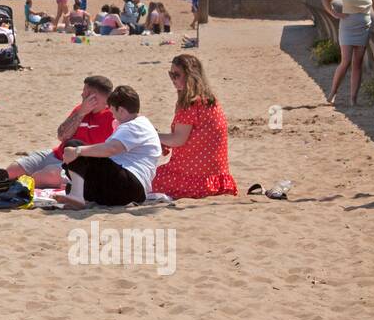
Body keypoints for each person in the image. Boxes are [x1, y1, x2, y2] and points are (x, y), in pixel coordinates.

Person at [54, 85, 160, 209]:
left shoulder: (133, 126)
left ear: (121, 110)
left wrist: (78, 150)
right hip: (132, 189)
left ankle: (77, 196)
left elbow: (111, 149)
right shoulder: (141, 123)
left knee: (74, 146)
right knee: (72, 186)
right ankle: (77, 194)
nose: (113, 116)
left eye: (113, 112)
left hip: (130, 184)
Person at [152, 55, 237, 199]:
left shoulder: (190, 105)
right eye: (170, 74)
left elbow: (178, 140)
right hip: (218, 180)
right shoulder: (211, 101)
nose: (173, 79)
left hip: (193, 179)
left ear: (191, 76)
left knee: (145, 179)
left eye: (176, 75)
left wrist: (152, 135)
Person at [6, 76, 114, 188]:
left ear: (93, 96)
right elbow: (62, 136)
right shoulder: (80, 109)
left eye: (84, 91)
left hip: (78, 164)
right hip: (57, 154)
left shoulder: (112, 116)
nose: (82, 95)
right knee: (11, 171)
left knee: (40, 177)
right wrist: (81, 113)